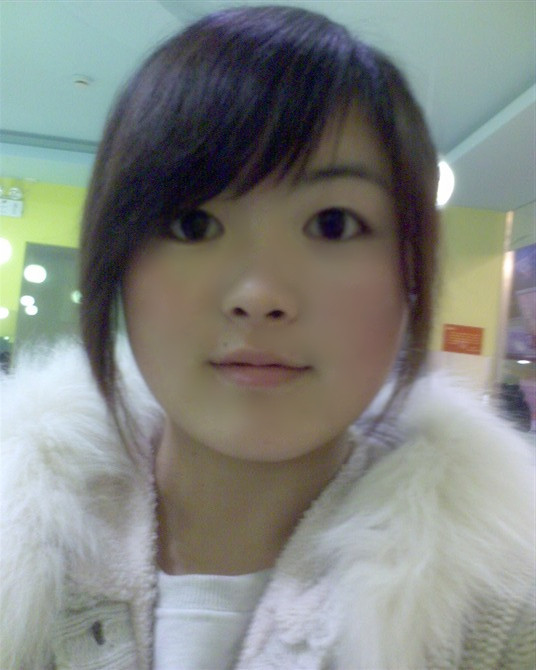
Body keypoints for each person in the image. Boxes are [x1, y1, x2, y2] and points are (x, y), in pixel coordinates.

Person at [1, 5, 534, 670]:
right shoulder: (17, 555)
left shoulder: (502, 617)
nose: (260, 295)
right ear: (117, 259)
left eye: (333, 223)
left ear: (410, 274)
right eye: (193, 223)